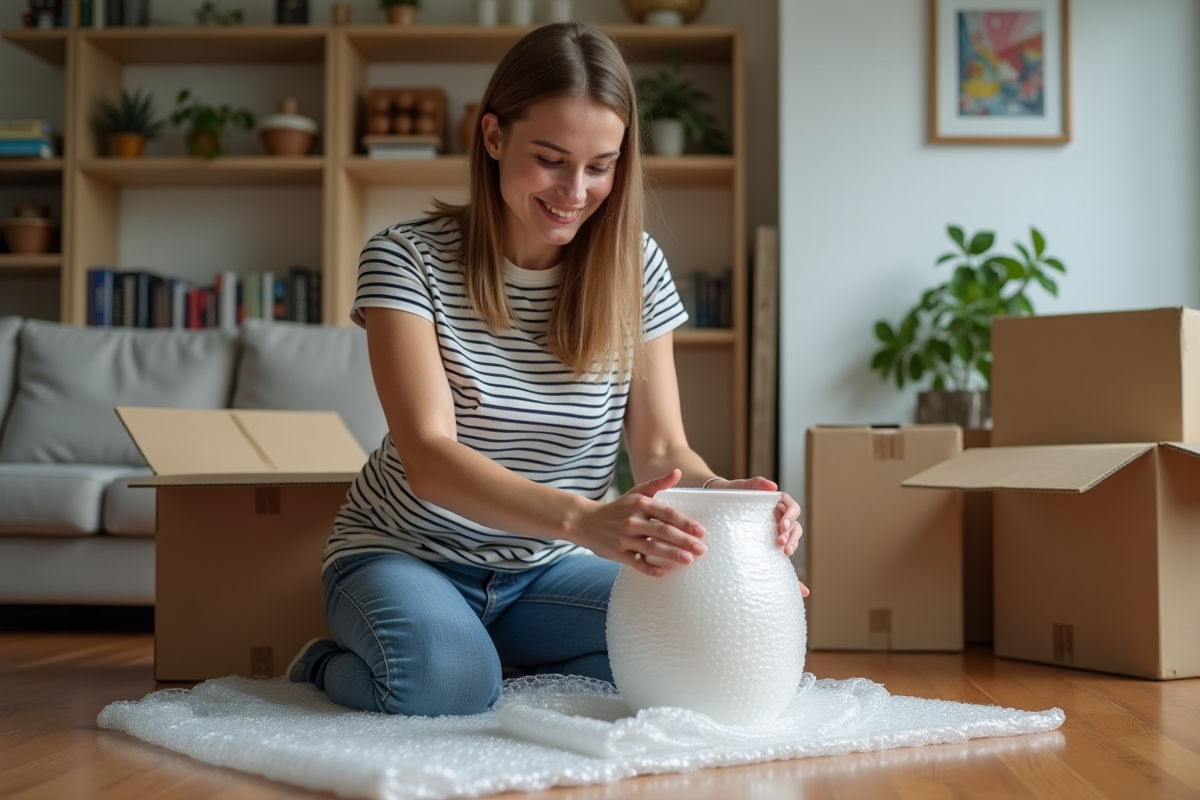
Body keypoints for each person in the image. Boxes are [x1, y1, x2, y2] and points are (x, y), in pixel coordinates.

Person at [287, 21, 804, 717]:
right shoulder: (404, 259)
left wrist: (730, 507)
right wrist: (586, 520)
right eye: (552, 159)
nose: (576, 191)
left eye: (601, 165)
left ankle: (492, 649)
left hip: (547, 571)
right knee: (449, 686)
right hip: (407, 553)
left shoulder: (636, 267)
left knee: (713, 639)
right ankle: (328, 665)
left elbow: (660, 450)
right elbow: (430, 458)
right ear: (494, 137)